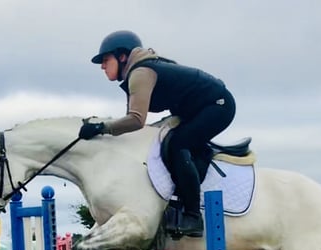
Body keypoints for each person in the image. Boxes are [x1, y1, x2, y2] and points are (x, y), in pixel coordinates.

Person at [79, 30, 236, 238]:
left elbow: (135, 120)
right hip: (196, 109)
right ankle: (195, 167)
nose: (102, 66)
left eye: (106, 59)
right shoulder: (137, 73)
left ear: (122, 56)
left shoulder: (140, 73)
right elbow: (133, 122)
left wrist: (101, 127)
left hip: (218, 105)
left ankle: (192, 216)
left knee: (178, 144)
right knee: (165, 141)